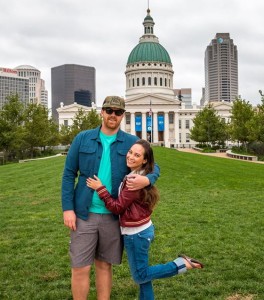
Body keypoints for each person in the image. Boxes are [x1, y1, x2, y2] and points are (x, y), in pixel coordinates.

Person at [61, 96, 160, 300]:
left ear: (123, 115)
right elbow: (69, 173)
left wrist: (147, 180)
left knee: (104, 265)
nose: (113, 115)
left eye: (117, 112)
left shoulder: (131, 142)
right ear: (102, 112)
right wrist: (67, 208)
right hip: (84, 214)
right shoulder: (83, 138)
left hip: (113, 217)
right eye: (109, 110)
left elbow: (154, 166)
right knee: (80, 267)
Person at [87, 139, 204, 300]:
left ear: (144, 160)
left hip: (136, 234)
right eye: (130, 152)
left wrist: (100, 189)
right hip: (141, 230)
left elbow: (117, 207)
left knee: (141, 275)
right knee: (144, 278)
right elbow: (154, 168)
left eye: (137, 155)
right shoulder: (139, 175)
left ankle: (181, 264)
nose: (130, 157)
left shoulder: (134, 182)